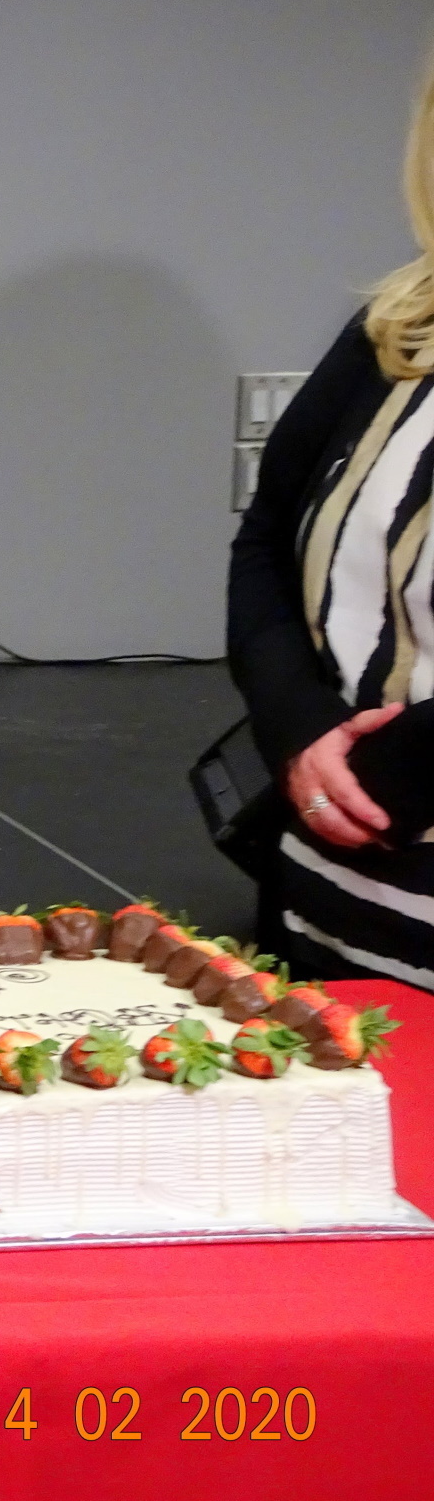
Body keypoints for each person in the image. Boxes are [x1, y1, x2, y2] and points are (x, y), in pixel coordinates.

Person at [228, 60, 434, 992]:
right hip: (326, 910)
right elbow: (267, 539)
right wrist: (300, 727)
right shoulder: (398, 327)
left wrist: (391, 774)